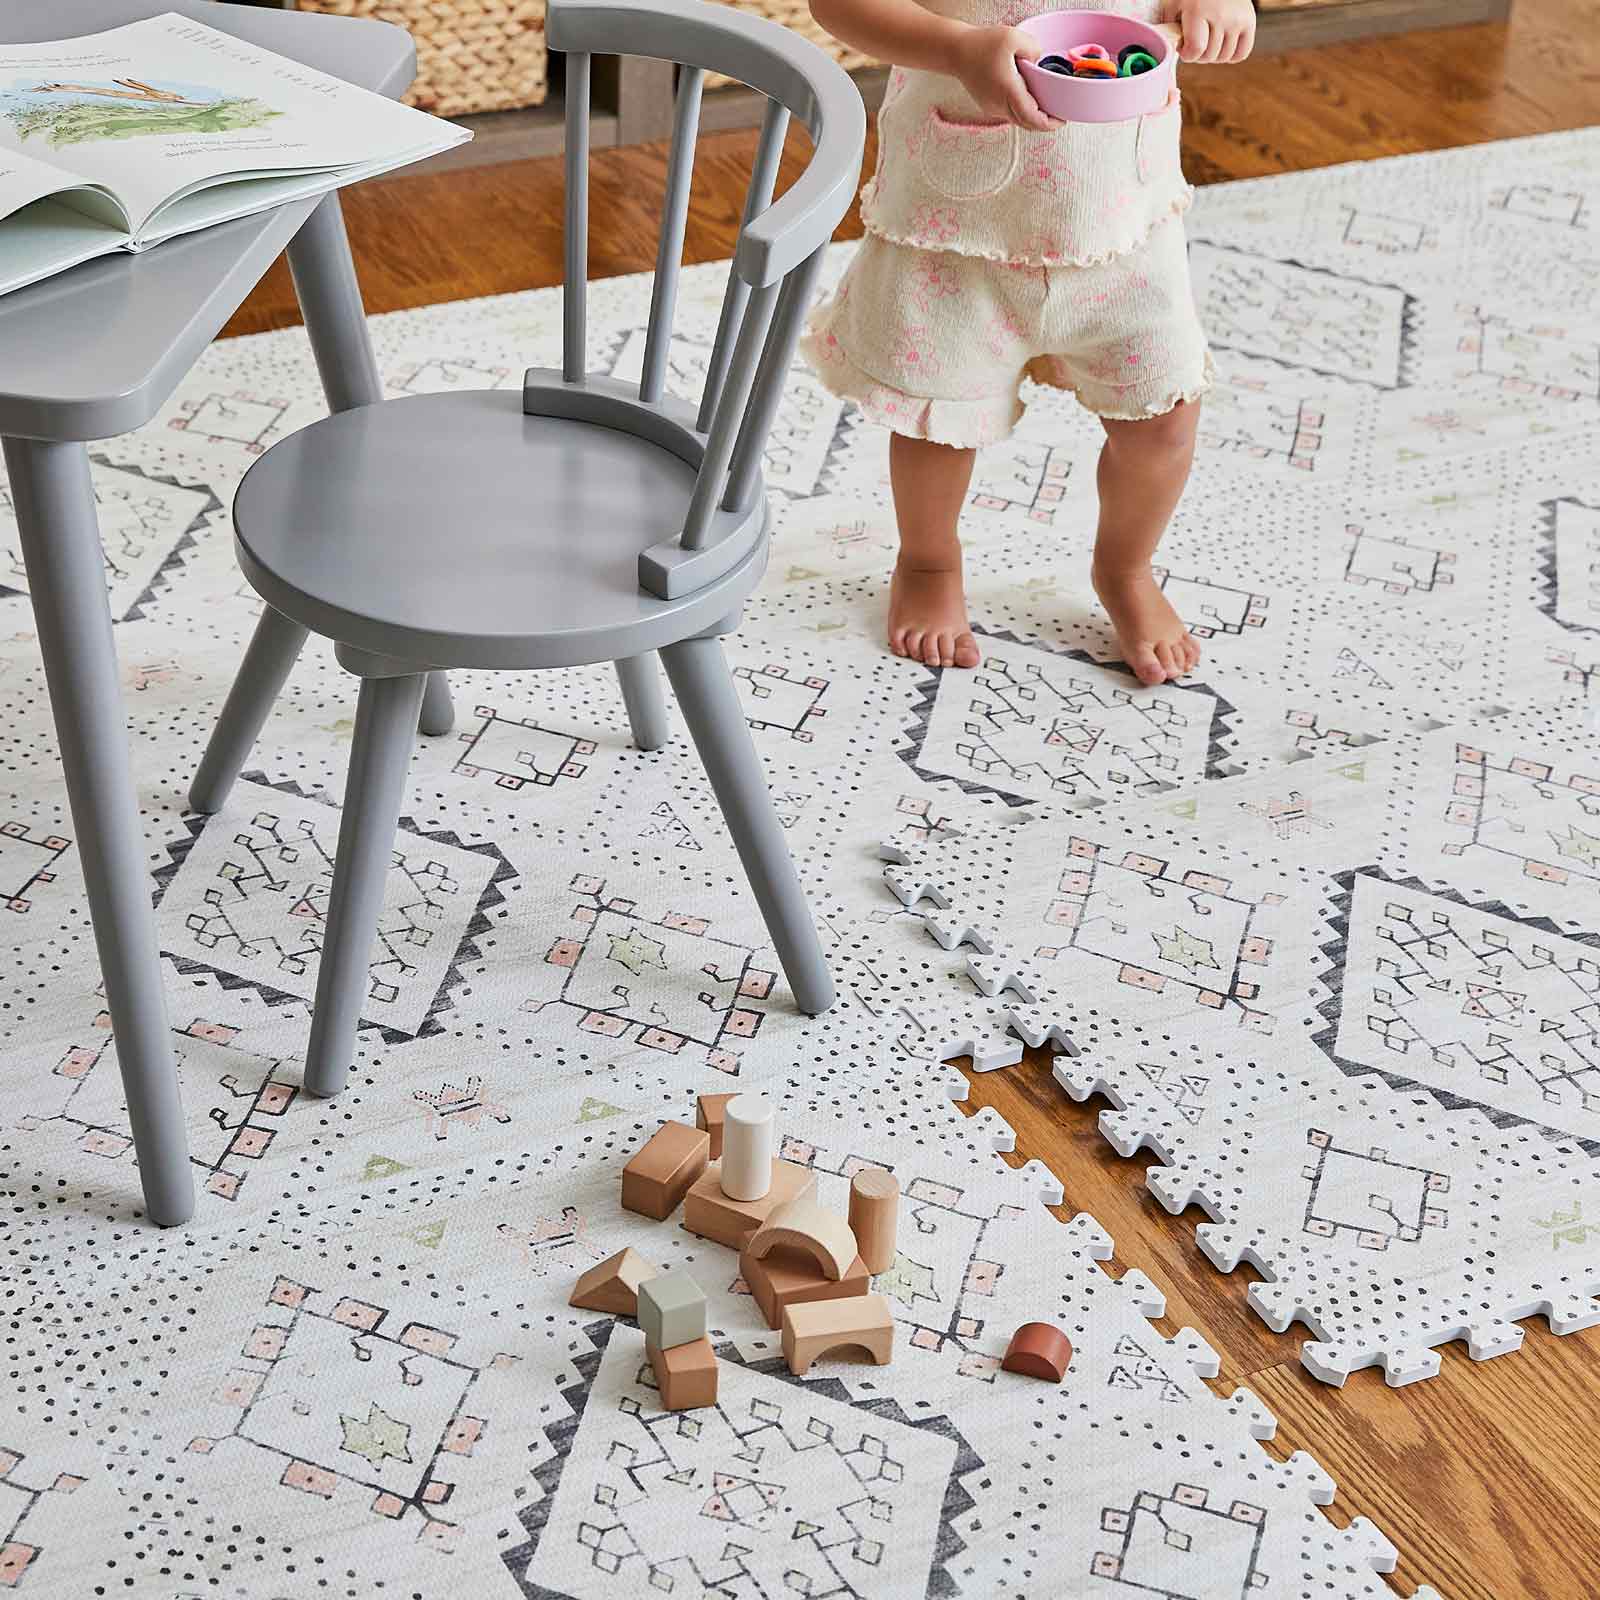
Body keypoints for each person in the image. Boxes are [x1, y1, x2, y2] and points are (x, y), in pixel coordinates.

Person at [801, 0, 1255, 682]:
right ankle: (928, 560)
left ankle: (1125, 569)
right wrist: (956, 49)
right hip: (956, 225)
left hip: (1123, 227)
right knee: (938, 419)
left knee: (1165, 420)